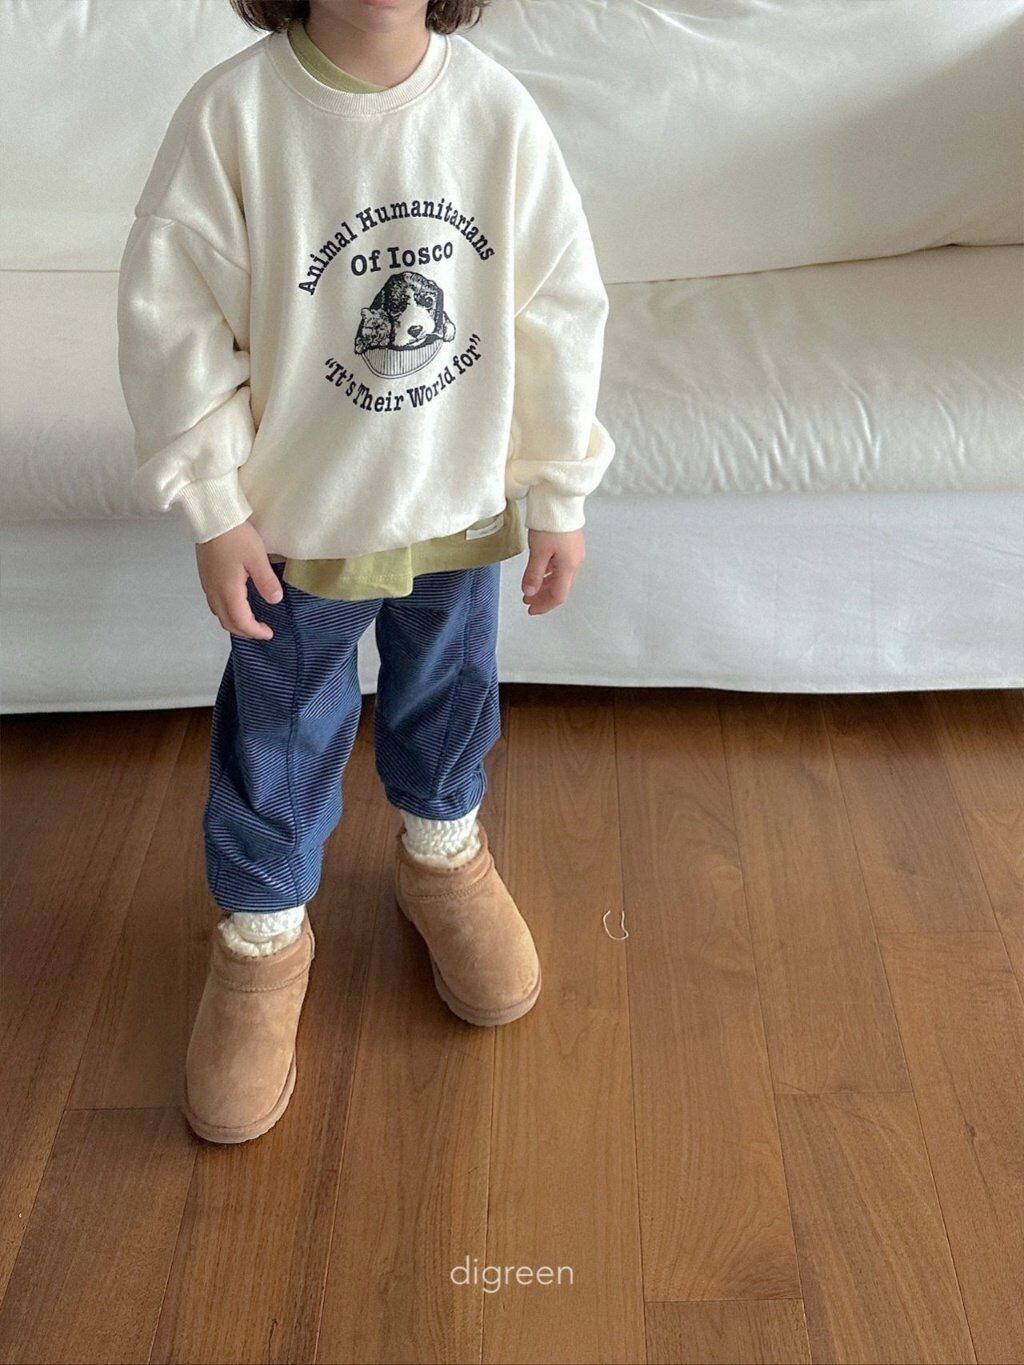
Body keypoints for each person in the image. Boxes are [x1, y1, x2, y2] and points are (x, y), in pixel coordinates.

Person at [116, 0, 614, 1144]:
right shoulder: (237, 117)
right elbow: (173, 318)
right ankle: (261, 938)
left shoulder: (491, 110)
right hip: (302, 522)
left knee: (449, 687)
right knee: (281, 729)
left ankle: (442, 855)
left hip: (458, 499)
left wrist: (559, 487)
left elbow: (556, 304)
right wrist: (213, 505)